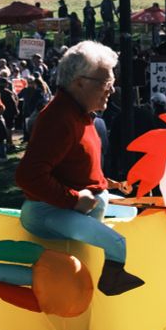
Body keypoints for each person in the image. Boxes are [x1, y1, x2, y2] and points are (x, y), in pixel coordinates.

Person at [15, 40, 141, 296]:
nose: (112, 90)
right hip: (48, 212)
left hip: (75, 209)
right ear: (79, 82)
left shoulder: (80, 115)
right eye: (106, 83)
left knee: (137, 212)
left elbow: (74, 165)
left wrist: (106, 183)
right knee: (116, 242)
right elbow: (28, 176)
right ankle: (111, 281)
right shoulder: (59, 118)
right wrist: (72, 200)